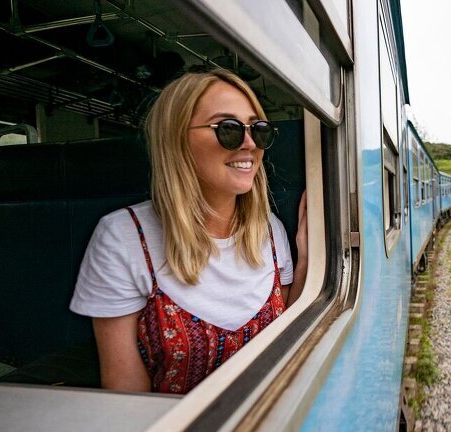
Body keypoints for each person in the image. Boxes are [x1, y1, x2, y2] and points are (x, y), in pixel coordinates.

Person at [70, 68, 307, 394]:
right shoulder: (123, 238)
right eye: (228, 129)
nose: (250, 144)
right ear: (176, 138)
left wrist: (307, 255)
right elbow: (126, 392)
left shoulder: (270, 231)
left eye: (259, 129)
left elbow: (290, 336)